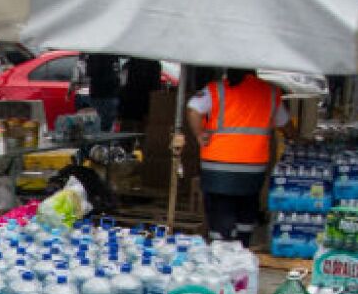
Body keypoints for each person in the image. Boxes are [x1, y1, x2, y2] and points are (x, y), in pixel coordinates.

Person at [185, 67, 292, 246]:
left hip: (218, 164)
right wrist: (298, 138)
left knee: (221, 207)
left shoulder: (216, 89)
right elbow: (284, 123)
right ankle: (242, 247)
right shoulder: (271, 92)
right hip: (253, 166)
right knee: (247, 207)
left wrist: (199, 134)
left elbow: (193, 109)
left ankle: (223, 248)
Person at [118, 57, 162, 134]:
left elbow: (122, 84)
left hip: (128, 105)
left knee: (126, 134)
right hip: (146, 106)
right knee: (142, 134)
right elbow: (156, 88)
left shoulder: (129, 64)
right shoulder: (155, 64)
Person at [84, 54, 121, 132]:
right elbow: (117, 72)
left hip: (98, 93)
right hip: (108, 93)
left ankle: (101, 140)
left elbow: (88, 72)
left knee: (98, 123)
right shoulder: (113, 55)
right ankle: (104, 140)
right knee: (107, 123)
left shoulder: (94, 55)